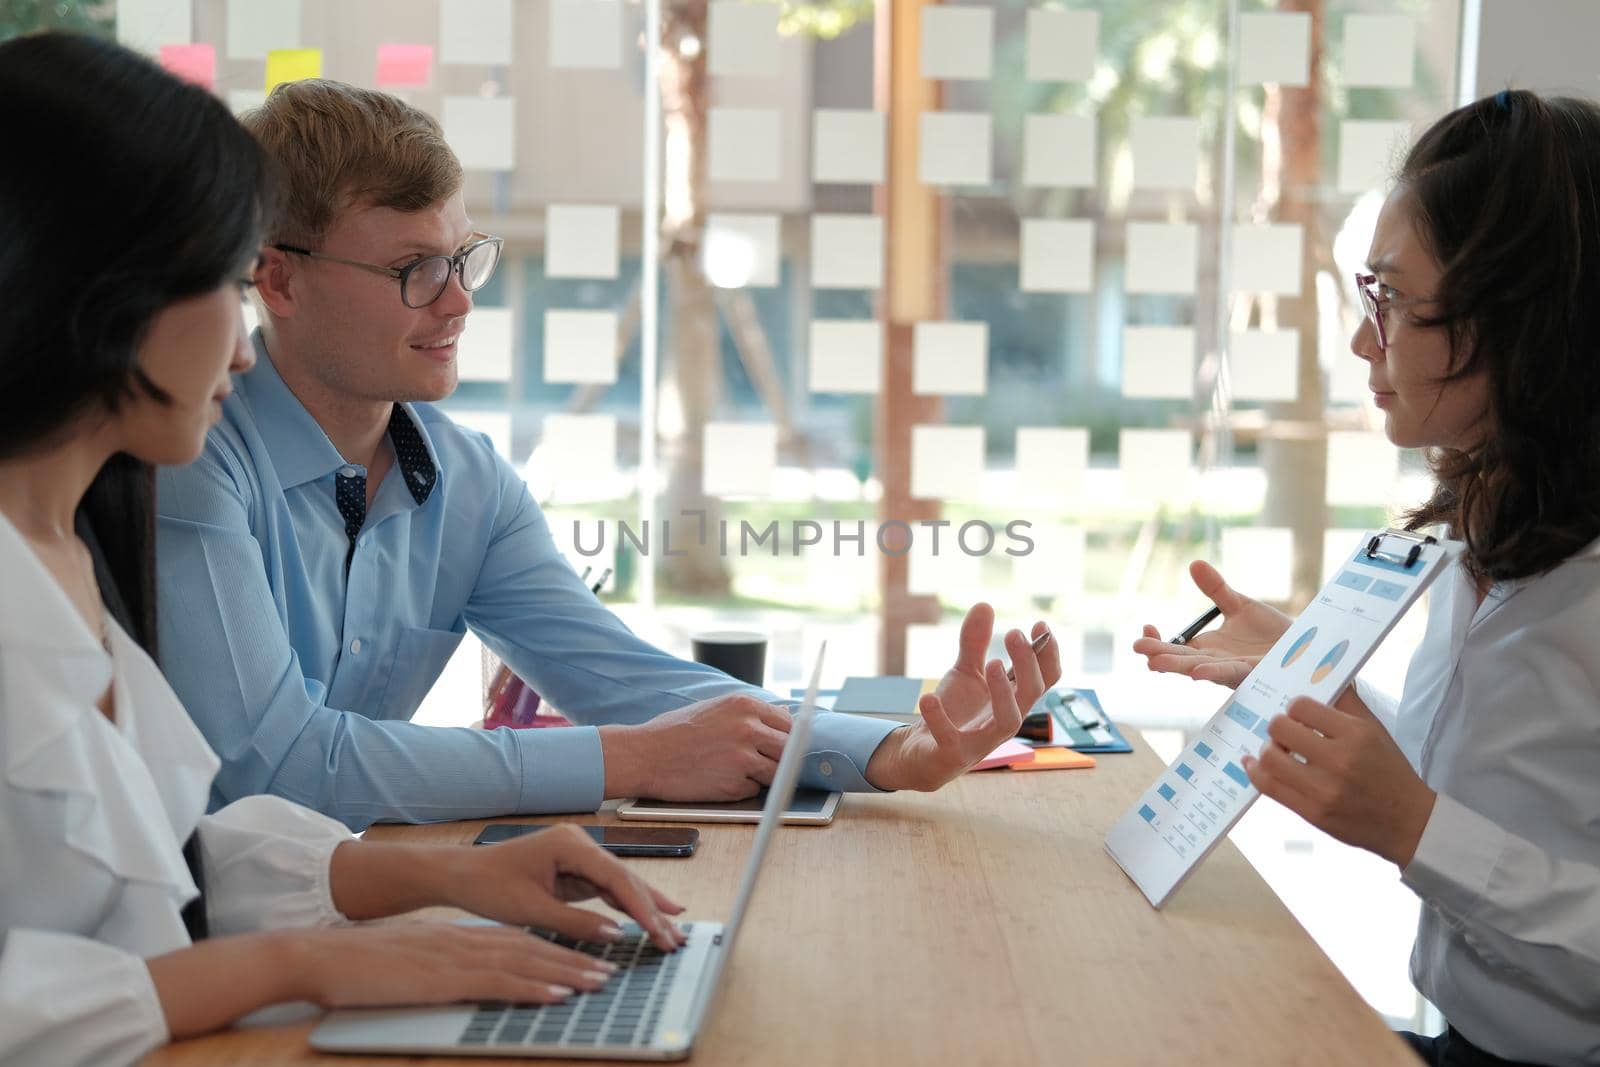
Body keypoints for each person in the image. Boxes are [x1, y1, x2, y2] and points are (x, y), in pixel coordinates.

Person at [0, 33, 685, 1067]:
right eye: (225, 283)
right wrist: (298, 964)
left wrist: (438, 878)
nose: (242, 343)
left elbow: (163, 868)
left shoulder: (69, 550)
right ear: (100, 297)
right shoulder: (134, 514)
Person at [155, 77, 1060, 829]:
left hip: (343, 902)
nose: (459, 302)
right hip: (181, 952)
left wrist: (896, 752)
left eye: (463, 258)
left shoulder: (468, 484)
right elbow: (276, 765)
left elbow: (636, 686)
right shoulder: (191, 464)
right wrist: (636, 761)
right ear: (278, 278)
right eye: (413, 270)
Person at [1134, 90, 1600, 1067]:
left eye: (1388, 300)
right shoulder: (1487, 530)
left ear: (1519, 320)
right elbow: (1505, 792)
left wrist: (1412, 826)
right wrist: (1323, 684)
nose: (1360, 341)